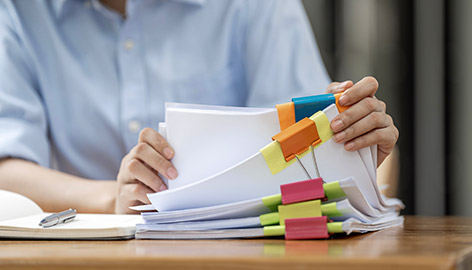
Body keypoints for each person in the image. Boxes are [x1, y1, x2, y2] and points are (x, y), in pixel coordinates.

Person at [0, 0, 398, 214]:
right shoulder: (17, 11)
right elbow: (7, 169)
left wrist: (350, 151)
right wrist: (113, 199)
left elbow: (311, 144)